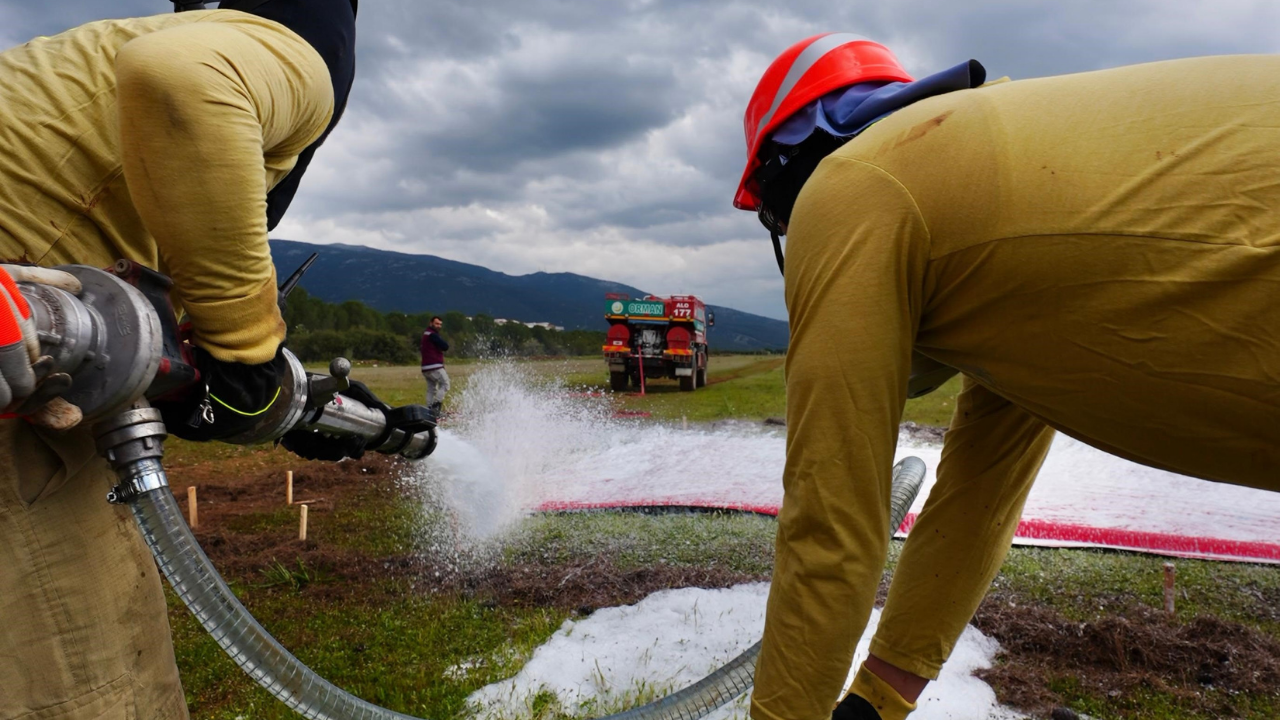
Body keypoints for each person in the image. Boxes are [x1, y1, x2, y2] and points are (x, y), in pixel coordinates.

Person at [734, 34, 1280, 720]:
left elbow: (830, 518)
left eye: (783, 219)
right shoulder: (997, 195)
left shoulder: (853, 183)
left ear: (794, 168)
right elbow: (978, 493)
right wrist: (875, 702)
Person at [0, 1, 357, 717]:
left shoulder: (81, 77)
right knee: (86, 673)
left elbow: (167, 344)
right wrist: (246, 350)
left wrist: (287, 401)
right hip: (24, 330)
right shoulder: (291, 51)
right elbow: (179, 79)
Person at [421, 315, 450, 418]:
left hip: (425, 367)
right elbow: (445, 346)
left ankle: (428, 410)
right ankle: (436, 408)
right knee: (445, 384)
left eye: (440, 324)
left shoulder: (426, 334)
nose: (439, 326)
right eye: (437, 323)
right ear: (431, 323)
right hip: (434, 365)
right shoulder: (432, 335)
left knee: (431, 389)